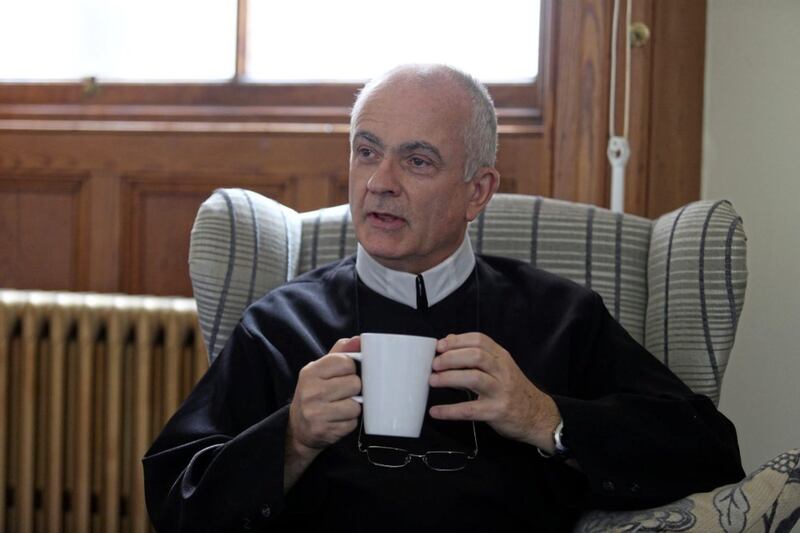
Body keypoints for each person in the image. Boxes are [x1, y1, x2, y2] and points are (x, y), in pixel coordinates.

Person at [143, 64, 744, 532]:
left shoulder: (561, 316)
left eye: (418, 160)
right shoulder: (280, 324)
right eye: (367, 150)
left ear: (476, 191)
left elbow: (710, 452)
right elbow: (174, 499)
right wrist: (291, 437)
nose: (380, 181)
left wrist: (544, 417)